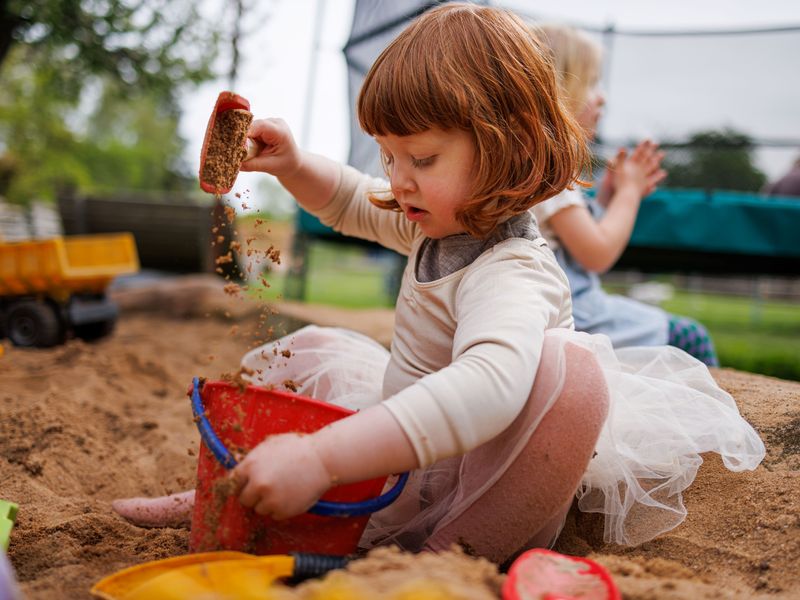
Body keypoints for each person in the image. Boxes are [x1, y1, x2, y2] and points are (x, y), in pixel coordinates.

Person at [114, 4, 764, 562]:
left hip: (483, 474)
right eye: (389, 155)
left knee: (575, 382)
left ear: (507, 146)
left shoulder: (511, 269)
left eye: (421, 159)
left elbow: (484, 392)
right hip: (404, 437)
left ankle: (439, 560)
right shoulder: (436, 219)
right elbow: (348, 199)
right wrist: (291, 162)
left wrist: (323, 461)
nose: (397, 178)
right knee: (309, 349)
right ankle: (233, 483)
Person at [531, 23, 720, 367]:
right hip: (577, 321)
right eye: (590, 83)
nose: (601, 96)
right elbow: (597, 253)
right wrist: (629, 193)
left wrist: (604, 200)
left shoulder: (527, 167)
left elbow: (572, 240)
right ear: (559, 92)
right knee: (691, 336)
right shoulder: (548, 174)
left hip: (556, 315)